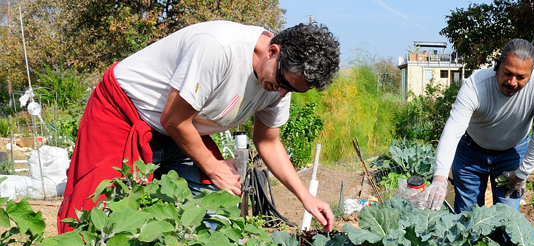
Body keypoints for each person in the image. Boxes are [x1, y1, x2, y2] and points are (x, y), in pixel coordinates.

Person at [58, 21, 340, 233]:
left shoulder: (281, 83)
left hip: (185, 130)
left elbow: (268, 141)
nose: (280, 94)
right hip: (124, 114)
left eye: (292, 90)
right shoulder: (219, 48)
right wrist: (213, 166)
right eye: (282, 83)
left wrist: (305, 196)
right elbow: (174, 118)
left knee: (209, 213)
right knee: (100, 212)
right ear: (273, 51)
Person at [425, 38, 534, 213]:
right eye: (507, 73)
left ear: (531, 74)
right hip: (470, 155)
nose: (512, 82)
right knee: (467, 217)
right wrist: (440, 178)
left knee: (507, 219)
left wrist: (522, 173)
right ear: (497, 65)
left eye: (521, 77)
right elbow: (453, 129)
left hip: (511, 155)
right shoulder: (476, 86)